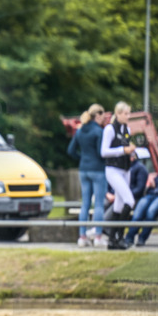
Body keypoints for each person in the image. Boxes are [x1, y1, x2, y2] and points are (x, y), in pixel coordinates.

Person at [67, 104, 108, 247]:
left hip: (83, 169)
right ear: (97, 115)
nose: (104, 119)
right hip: (97, 170)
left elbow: (71, 150)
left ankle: (82, 237)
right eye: (103, 116)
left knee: (85, 204)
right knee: (98, 204)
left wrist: (82, 158)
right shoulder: (99, 132)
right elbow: (100, 153)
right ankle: (97, 237)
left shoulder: (80, 130)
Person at [101, 101, 137, 249]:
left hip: (125, 169)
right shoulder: (110, 129)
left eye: (129, 113)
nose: (128, 116)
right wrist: (123, 150)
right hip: (113, 169)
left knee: (119, 205)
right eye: (125, 113)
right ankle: (120, 237)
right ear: (118, 114)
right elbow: (104, 152)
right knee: (130, 201)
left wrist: (132, 152)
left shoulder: (126, 128)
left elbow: (126, 147)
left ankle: (112, 240)